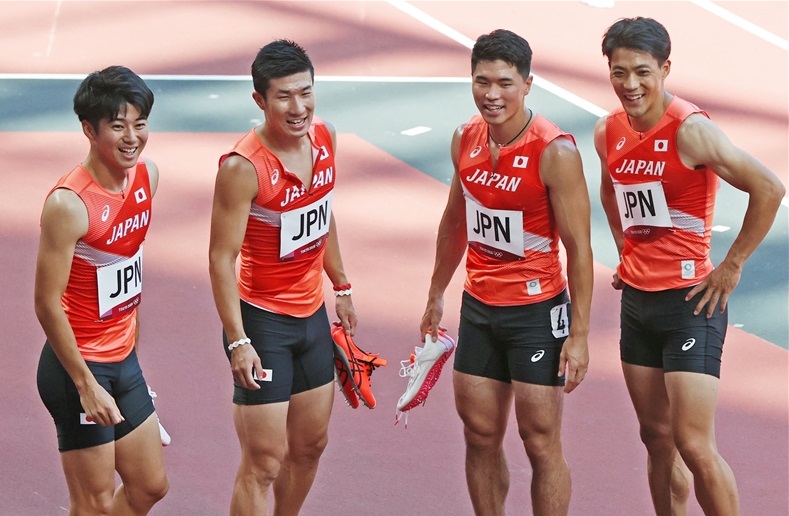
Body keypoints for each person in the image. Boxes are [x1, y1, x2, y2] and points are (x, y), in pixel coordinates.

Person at [595, 17, 785, 516]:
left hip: (689, 304)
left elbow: (769, 188)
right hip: (638, 304)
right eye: (619, 73)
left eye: (642, 72)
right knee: (656, 438)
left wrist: (731, 265)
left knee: (695, 445)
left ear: (665, 69)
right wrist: (625, 249)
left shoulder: (692, 131)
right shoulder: (608, 131)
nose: (630, 85)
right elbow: (612, 190)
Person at [420, 29, 593, 516]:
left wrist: (578, 335)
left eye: (505, 83)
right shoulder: (465, 138)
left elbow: (580, 249)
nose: (492, 95)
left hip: (536, 312)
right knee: (479, 436)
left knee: (540, 443)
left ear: (528, 84)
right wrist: (436, 292)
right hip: (479, 308)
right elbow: (456, 220)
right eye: (481, 82)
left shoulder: (555, 151)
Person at [208, 39, 357, 516]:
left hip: (311, 316)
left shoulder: (326, 137)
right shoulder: (242, 168)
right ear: (260, 101)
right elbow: (219, 258)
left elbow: (323, 211)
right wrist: (237, 341)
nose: (299, 107)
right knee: (264, 462)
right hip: (263, 323)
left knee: (311, 446)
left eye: (306, 92)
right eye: (284, 97)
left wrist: (342, 285)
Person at [34, 65, 169, 514]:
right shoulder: (69, 205)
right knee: (91, 503)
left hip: (123, 361)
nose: (132, 137)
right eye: (118, 126)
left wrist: (132, 353)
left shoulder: (147, 176)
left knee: (150, 486)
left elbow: (126, 275)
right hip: (78, 369)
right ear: (89, 130)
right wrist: (87, 385)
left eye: (140, 123)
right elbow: (46, 303)